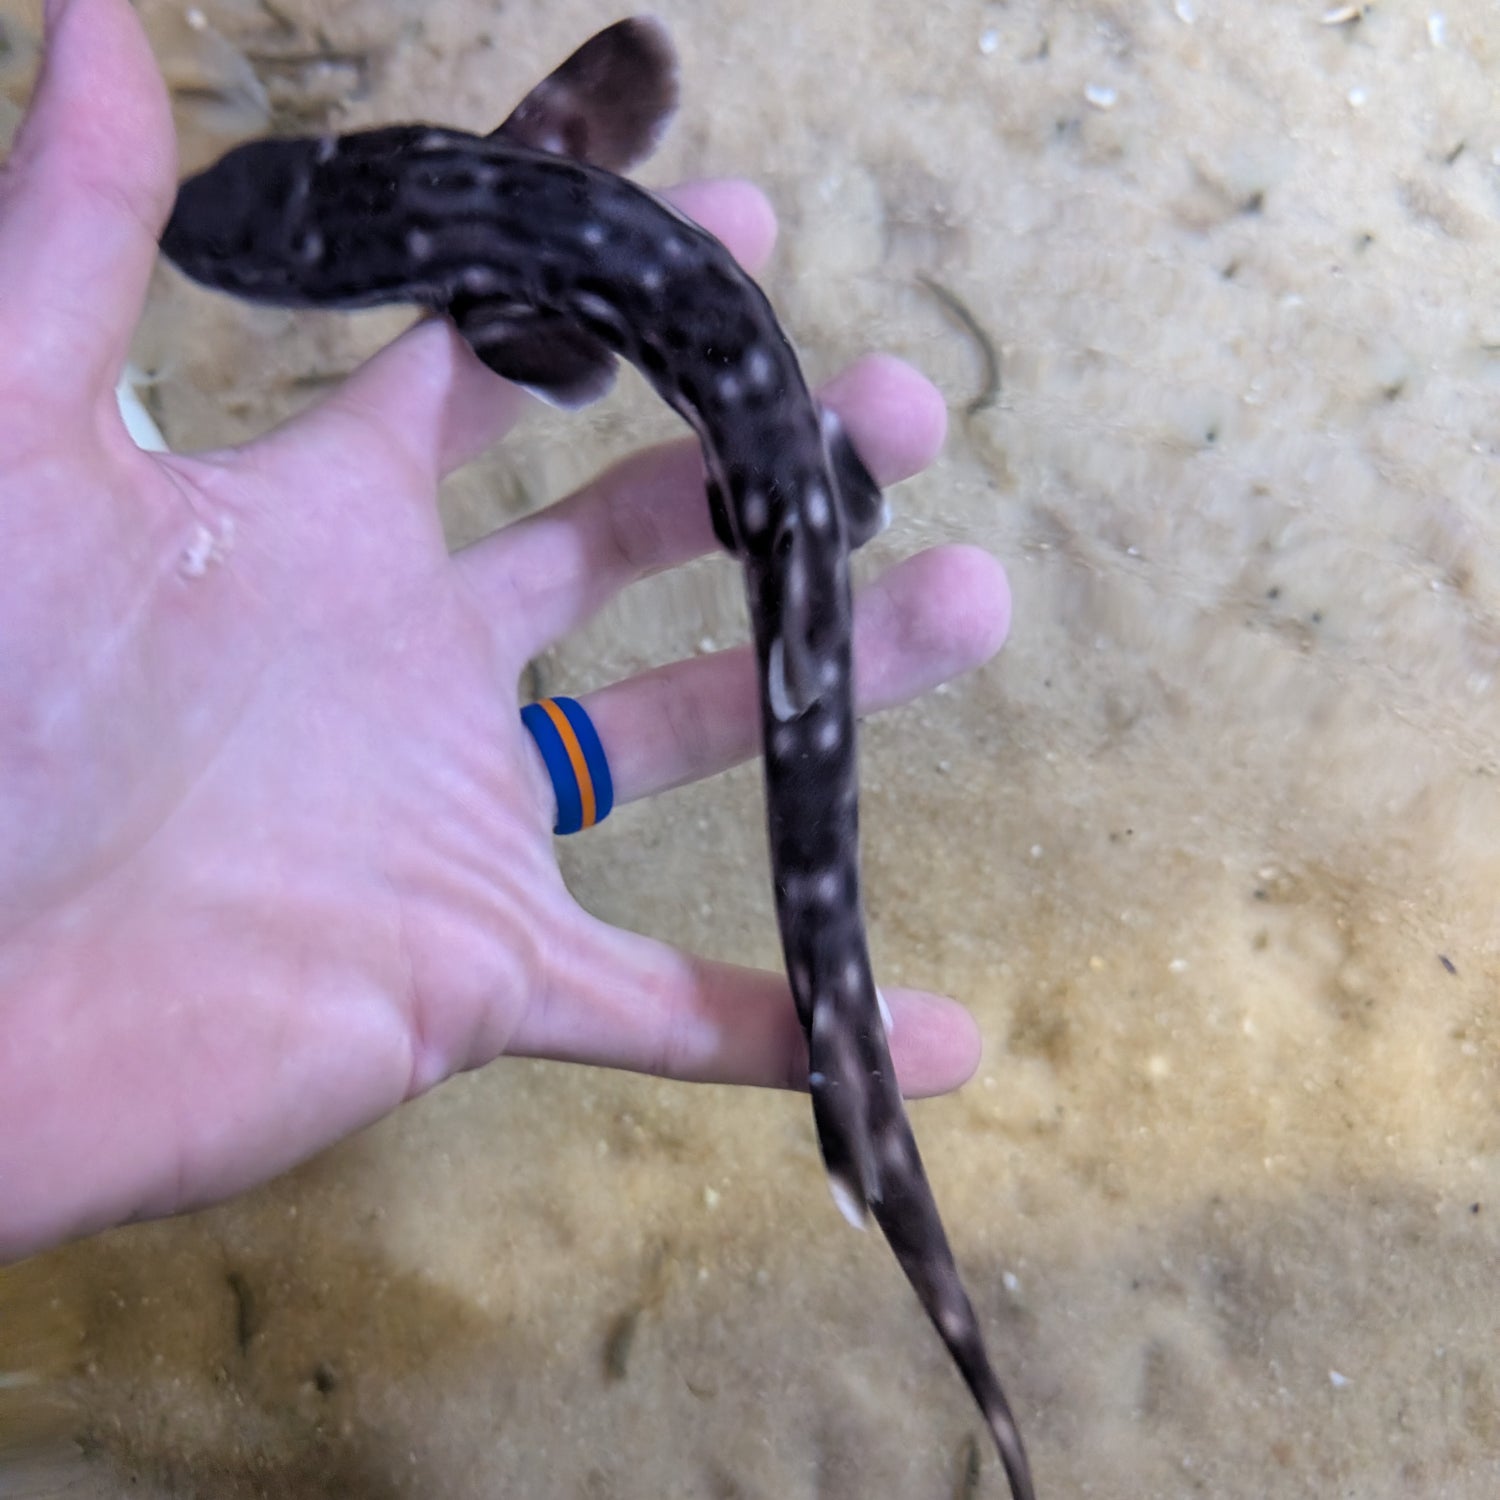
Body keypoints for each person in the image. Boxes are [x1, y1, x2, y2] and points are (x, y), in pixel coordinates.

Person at [0, 0, 1012, 1264]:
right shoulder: (534, 161)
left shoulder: (490, 295)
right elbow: (633, 67)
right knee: (805, 676)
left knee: (815, 732)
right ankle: (868, 1121)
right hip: (764, 447)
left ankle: (871, 1127)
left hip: (752, 452)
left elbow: (559, 346)